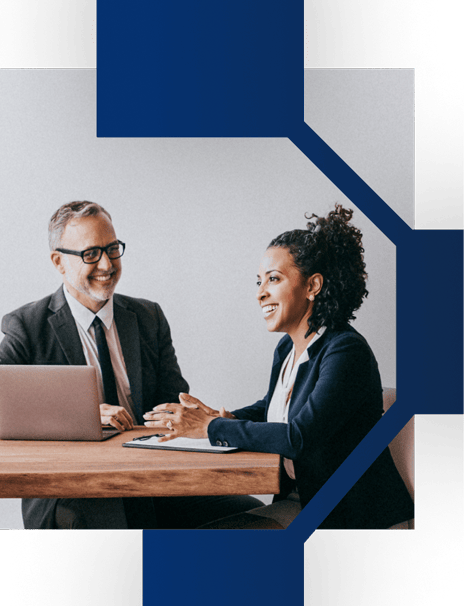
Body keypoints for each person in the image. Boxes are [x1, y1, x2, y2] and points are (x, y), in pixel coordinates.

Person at [0, 200, 262, 529]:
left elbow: (174, 398)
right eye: (91, 253)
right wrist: (81, 413)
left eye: (112, 248)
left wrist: (183, 416)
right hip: (72, 489)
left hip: (151, 480)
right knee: (113, 528)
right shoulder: (29, 325)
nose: (107, 264)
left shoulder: (149, 318)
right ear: (59, 262)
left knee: (251, 516)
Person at [144, 204, 415, 529]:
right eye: (259, 281)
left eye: (273, 279)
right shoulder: (288, 346)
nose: (261, 293)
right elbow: (272, 408)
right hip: (301, 500)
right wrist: (215, 417)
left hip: (346, 516)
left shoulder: (346, 351)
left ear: (313, 286)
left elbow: (298, 437)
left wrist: (211, 428)